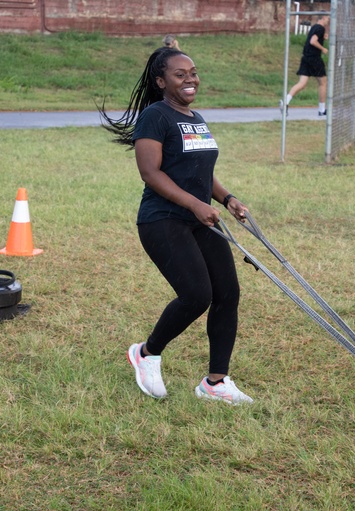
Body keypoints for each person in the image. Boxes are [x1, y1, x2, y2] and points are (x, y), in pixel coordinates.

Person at [99, 47, 254, 405]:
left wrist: (227, 198)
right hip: (163, 220)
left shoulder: (195, 118)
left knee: (227, 293)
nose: (190, 80)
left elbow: (201, 172)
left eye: (193, 73)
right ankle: (146, 353)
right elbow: (150, 172)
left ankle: (215, 383)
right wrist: (195, 204)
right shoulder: (155, 116)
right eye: (180, 74)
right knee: (197, 295)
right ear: (160, 81)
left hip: (200, 218)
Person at [280, 15, 329, 118]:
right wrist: (323, 49)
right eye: (328, 19)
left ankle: (286, 101)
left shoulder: (314, 27)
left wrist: (322, 37)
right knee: (323, 82)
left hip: (305, 58)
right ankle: (321, 109)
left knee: (302, 83)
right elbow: (312, 41)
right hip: (314, 58)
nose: (328, 21)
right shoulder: (320, 28)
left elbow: (314, 37)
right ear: (323, 17)